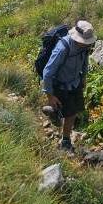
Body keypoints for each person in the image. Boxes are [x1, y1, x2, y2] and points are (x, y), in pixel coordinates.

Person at [40, 20, 96, 152]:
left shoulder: (85, 47)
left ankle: (55, 112)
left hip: (75, 82)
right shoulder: (62, 48)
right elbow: (47, 72)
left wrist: (83, 78)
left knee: (74, 111)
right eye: (84, 41)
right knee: (70, 113)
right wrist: (50, 96)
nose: (86, 44)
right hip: (60, 85)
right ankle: (65, 141)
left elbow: (85, 62)